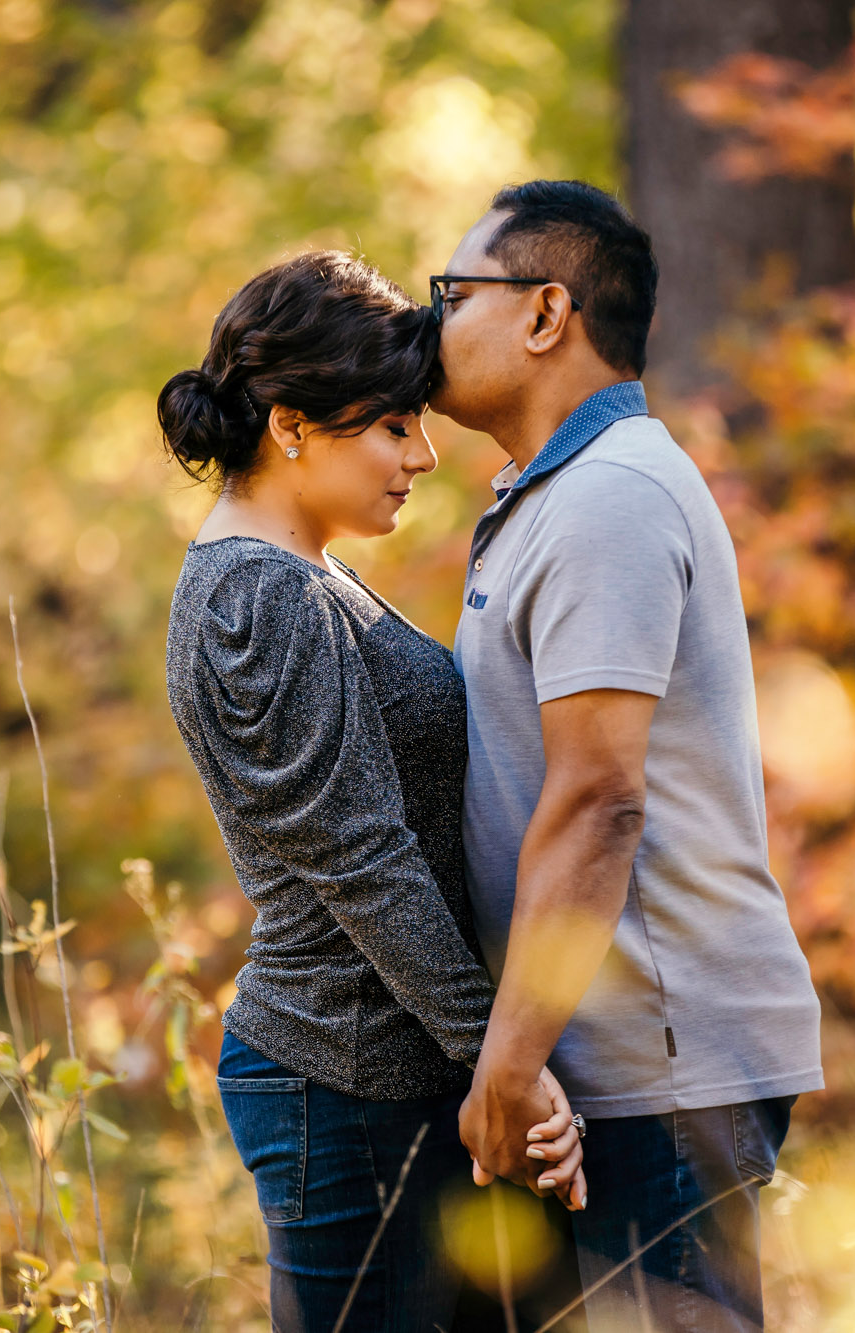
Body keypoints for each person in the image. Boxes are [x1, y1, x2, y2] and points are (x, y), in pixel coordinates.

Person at [158, 251, 585, 1333]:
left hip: (391, 1070)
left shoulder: (299, 575)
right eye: (394, 425)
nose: (426, 454)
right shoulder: (258, 599)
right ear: (293, 424)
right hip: (342, 1078)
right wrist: (504, 1062)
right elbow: (360, 858)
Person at [432, 180, 825, 1332]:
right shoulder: (556, 496)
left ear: (545, 313)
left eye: (453, 294)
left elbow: (601, 796)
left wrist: (506, 1061)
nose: (431, 324)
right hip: (611, 1059)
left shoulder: (609, 494)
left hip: (661, 1061)